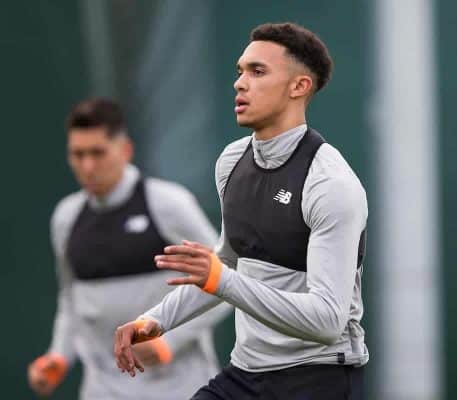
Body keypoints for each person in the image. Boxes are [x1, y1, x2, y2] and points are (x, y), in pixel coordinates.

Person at [114, 22, 368, 399]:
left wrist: (221, 279)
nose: (240, 83)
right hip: (245, 374)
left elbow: (328, 320)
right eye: (239, 71)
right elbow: (228, 264)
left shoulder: (331, 184)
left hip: (317, 379)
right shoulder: (231, 162)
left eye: (257, 71)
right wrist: (155, 320)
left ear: (299, 86)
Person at [28, 98, 231, 399]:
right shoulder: (66, 218)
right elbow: (72, 298)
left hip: (178, 387)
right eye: (78, 154)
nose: (87, 166)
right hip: (103, 389)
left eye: (97, 153)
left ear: (124, 150)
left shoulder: (168, 204)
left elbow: (226, 281)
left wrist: (168, 341)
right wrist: (59, 356)